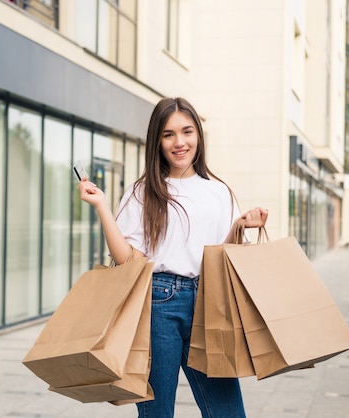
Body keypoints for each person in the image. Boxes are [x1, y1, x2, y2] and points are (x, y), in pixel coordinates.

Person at [78, 97, 268, 418]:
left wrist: (241, 225)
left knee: (228, 411)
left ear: (198, 137)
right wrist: (102, 207)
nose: (179, 142)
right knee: (156, 413)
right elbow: (129, 260)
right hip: (157, 305)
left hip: (209, 304)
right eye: (168, 134)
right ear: (158, 141)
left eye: (187, 132)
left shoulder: (219, 191)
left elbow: (225, 258)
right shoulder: (143, 191)